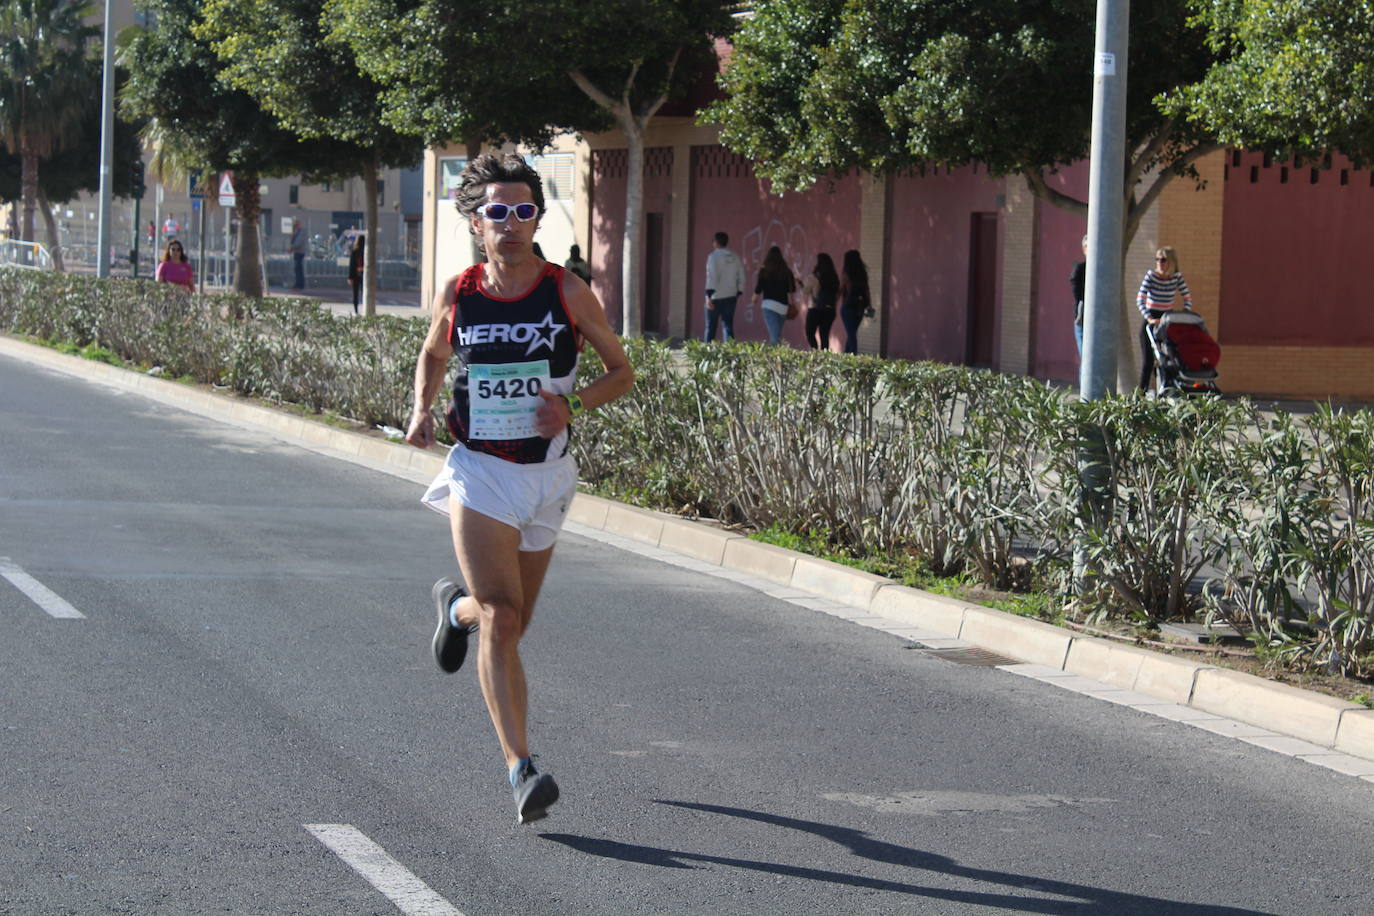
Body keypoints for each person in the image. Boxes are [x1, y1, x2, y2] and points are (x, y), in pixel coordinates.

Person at [404, 153, 634, 824]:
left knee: (510, 619)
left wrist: (576, 405)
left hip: (549, 475)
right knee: (504, 620)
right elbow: (433, 353)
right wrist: (422, 411)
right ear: (476, 222)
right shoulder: (462, 292)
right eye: (496, 212)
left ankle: (455, 613)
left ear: (537, 217)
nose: (510, 224)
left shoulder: (566, 291)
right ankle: (521, 768)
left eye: (523, 211)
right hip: (481, 471)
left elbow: (621, 371)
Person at [1136, 245, 1193, 392]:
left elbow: (1187, 297)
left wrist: (1182, 315)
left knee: (1167, 359)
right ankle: (1140, 395)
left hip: (1167, 320)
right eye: (1157, 260)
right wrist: (1149, 318)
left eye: (1163, 260)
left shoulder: (1176, 277)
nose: (1159, 263)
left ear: (1171, 262)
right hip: (1151, 319)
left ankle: (1168, 390)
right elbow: (1140, 299)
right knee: (1148, 361)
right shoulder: (1151, 276)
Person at [702, 231, 743, 342]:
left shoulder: (713, 257)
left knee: (710, 326)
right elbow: (741, 275)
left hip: (715, 295)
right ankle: (729, 352)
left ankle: (707, 353)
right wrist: (738, 291)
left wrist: (708, 295)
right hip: (731, 295)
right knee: (728, 325)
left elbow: (711, 276)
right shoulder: (735, 257)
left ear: (716, 242)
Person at [751, 245, 796, 345]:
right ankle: (777, 354)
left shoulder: (764, 270)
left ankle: (775, 357)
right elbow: (792, 289)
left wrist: (754, 298)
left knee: (775, 336)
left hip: (769, 305)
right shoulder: (787, 271)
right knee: (777, 333)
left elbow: (759, 288)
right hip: (783, 306)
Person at [800, 252, 839, 350]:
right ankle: (824, 356)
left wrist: (800, 282)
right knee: (824, 335)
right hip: (830, 309)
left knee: (810, 332)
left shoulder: (814, 277)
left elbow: (805, 291)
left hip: (815, 308)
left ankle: (815, 351)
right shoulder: (834, 278)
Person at [838, 249, 870, 354]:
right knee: (852, 333)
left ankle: (852, 357)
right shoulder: (863, 274)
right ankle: (847, 356)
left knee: (851, 335)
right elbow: (866, 291)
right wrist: (869, 305)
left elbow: (840, 290)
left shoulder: (846, 275)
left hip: (848, 307)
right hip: (859, 308)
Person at [1070, 235, 1087, 356]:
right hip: (1082, 320)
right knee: (1086, 357)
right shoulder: (1079, 269)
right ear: (1084, 249)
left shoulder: (1102, 271)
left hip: (1098, 322)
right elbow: (1077, 292)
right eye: (1088, 246)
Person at [347, 234, 365, 315]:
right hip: (364, 274)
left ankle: (356, 311)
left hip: (355, 275)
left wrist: (350, 277)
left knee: (355, 294)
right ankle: (365, 309)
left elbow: (351, 265)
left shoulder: (354, 251)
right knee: (364, 293)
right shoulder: (366, 251)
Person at [289, 219, 307, 290]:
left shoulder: (302, 232)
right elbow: (292, 240)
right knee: (297, 269)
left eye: (296, 225)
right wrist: (293, 231)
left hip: (300, 252)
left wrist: (291, 249)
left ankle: (299, 284)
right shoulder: (297, 232)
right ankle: (298, 284)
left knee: (298, 268)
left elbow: (298, 243)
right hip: (296, 252)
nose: (295, 226)